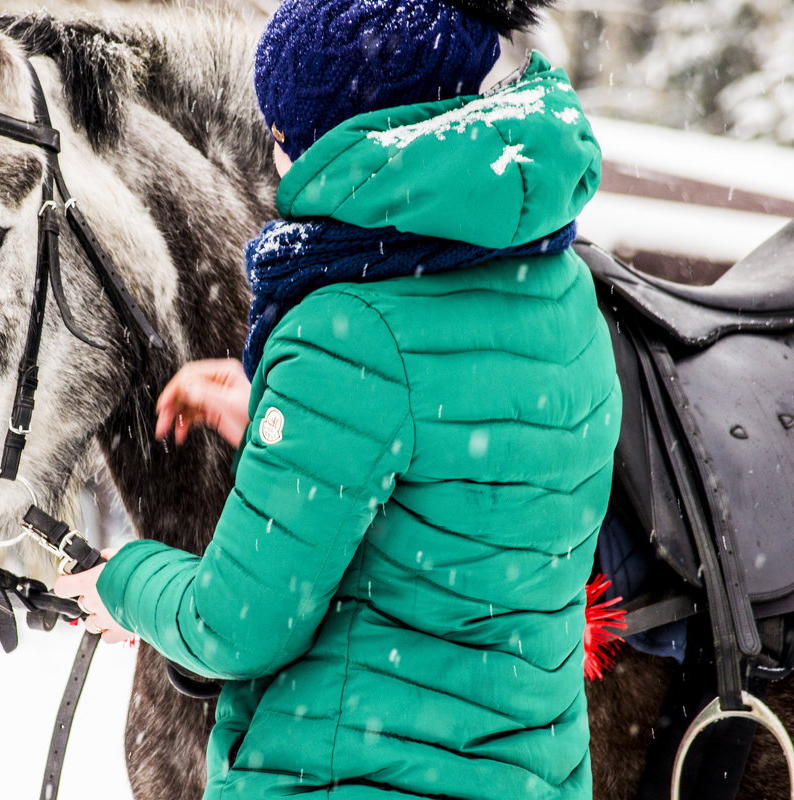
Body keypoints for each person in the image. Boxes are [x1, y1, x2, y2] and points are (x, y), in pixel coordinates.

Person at [55, 0, 622, 797]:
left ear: (353, 134)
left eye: (286, 130)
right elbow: (461, 472)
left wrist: (125, 583)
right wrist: (288, 416)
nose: (276, 153)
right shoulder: (563, 295)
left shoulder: (346, 326)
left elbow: (238, 625)